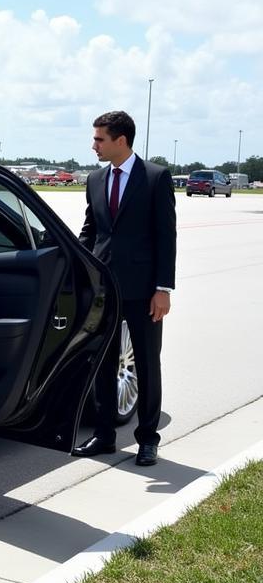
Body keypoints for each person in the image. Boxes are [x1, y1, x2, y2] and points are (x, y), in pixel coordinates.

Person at [74, 110, 176, 467]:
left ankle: (148, 439)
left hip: (144, 290)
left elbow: (166, 237)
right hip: (105, 288)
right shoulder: (95, 179)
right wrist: (75, 264)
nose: (94, 146)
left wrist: (163, 288)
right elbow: (92, 231)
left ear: (121, 140)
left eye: (100, 139)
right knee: (103, 364)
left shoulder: (155, 178)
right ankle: (104, 435)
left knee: (147, 364)